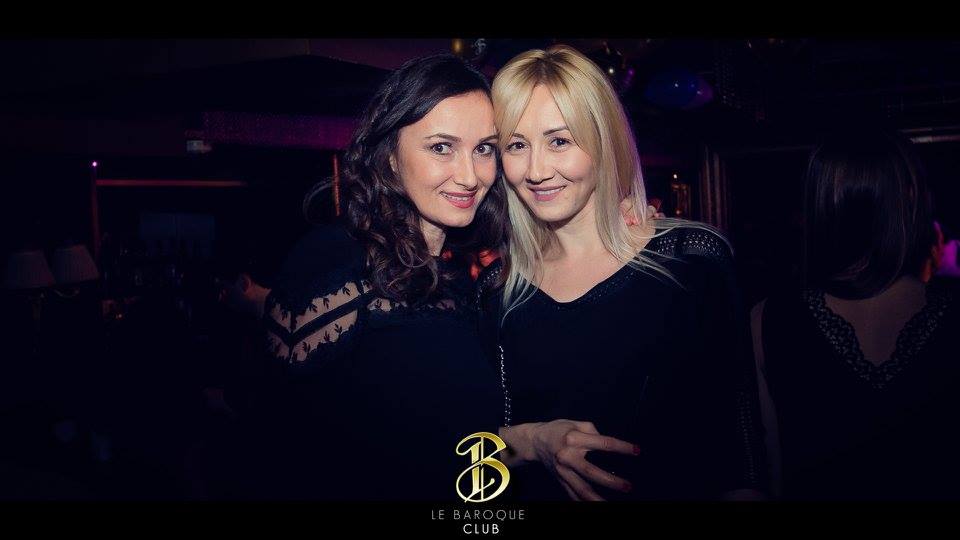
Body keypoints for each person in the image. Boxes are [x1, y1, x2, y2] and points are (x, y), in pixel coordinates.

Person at [228, 53, 639, 501]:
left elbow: (449, 444)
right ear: (389, 157)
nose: (469, 175)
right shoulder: (334, 260)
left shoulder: (465, 284)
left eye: (484, 149)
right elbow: (274, 446)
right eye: (441, 147)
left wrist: (532, 441)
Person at [478, 45, 767, 501]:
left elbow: (740, 443)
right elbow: (472, 456)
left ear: (603, 141)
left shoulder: (691, 260)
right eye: (516, 145)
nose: (536, 170)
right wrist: (533, 444)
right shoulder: (496, 292)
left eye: (559, 141)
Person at [751, 128, 960, 499]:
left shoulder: (767, 319)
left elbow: (765, 475)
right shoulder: (769, 319)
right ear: (912, 203)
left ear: (819, 208)